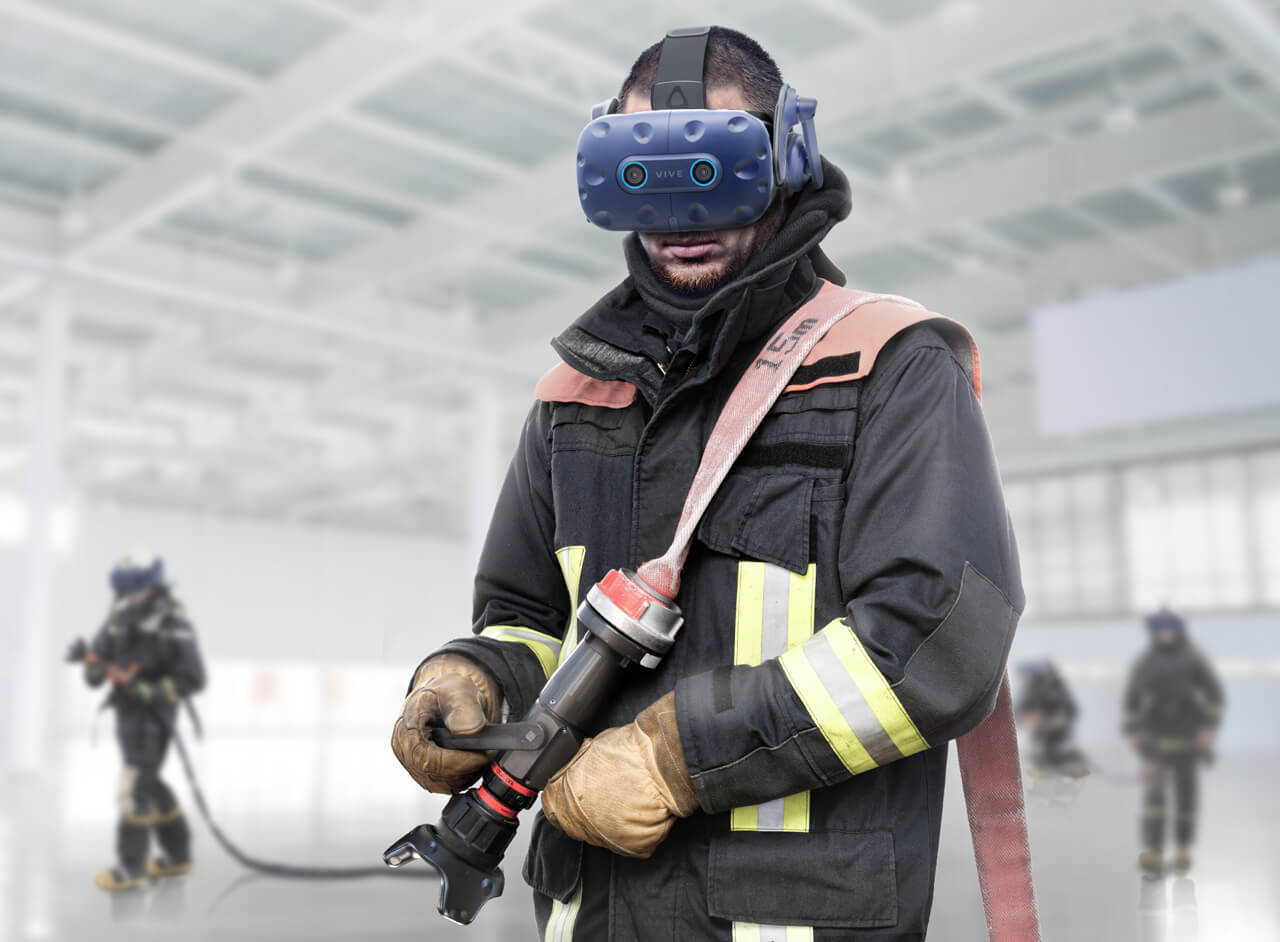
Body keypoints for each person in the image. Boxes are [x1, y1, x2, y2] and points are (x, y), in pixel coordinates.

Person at [391, 26, 1023, 940]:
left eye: (717, 174)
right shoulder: (577, 398)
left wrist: (675, 759)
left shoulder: (886, 368)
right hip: (591, 913)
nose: (683, 221)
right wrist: (473, 677)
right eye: (643, 176)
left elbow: (932, 647)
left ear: (787, 158)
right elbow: (529, 618)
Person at [67, 552, 206, 891]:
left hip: (156, 717)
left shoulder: (174, 623)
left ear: (154, 585)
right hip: (126, 715)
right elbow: (96, 669)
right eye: (125, 591)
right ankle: (178, 856)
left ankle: (131, 868)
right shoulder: (118, 619)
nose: (130, 597)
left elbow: (194, 677)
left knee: (132, 789)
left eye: (137, 590)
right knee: (151, 784)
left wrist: (156, 691)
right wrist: (91, 666)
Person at [1124, 608, 1223, 878]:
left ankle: (1182, 850)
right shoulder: (1146, 662)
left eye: (1169, 629)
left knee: (1186, 800)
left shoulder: (1192, 659)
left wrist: (1208, 728)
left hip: (1188, 741)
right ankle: (1154, 852)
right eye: (1160, 630)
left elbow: (1214, 693)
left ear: (1178, 631)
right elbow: (1132, 700)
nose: (1165, 635)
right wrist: (1132, 731)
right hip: (1155, 743)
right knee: (1154, 800)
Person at [1015, 659, 1088, 778]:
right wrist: (1020, 717)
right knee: (1040, 754)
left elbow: (1062, 707)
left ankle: (1073, 765)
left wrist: (1041, 716)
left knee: (1049, 752)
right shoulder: (1031, 687)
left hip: (1058, 722)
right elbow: (1022, 708)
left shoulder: (1049, 685)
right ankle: (1055, 767)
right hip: (1045, 726)